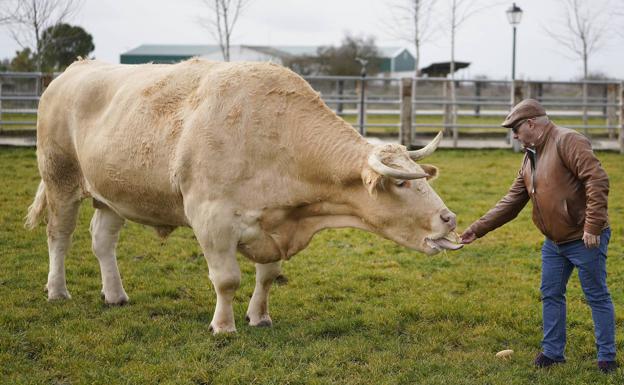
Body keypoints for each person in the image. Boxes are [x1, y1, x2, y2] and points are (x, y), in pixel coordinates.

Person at [460, 99, 617, 373]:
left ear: (531, 124)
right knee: (551, 294)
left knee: (596, 296)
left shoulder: (568, 141)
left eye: (516, 129)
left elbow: (597, 180)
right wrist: (478, 228)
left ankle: (607, 358)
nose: (515, 136)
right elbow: (512, 201)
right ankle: (553, 352)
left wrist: (592, 226)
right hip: (554, 243)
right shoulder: (529, 155)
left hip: (584, 239)